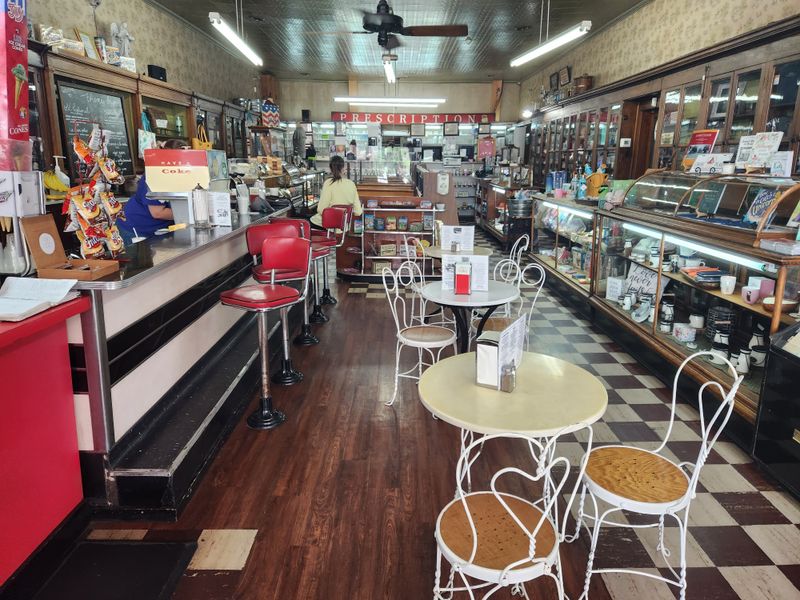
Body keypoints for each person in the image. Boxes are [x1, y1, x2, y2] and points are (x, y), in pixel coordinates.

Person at [118, 139, 184, 240]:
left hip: (159, 229)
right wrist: (189, 213)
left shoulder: (185, 175)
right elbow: (158, 212)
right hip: (135, 228)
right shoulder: (154, 176)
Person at [310, 155, 362, 229]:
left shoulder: (328, 183)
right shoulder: (351, 184)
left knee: (304, 222)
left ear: (331, 169)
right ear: (343, 168)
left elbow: (321, 209)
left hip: (327, 226)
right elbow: (358, 212)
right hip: (343, 227)